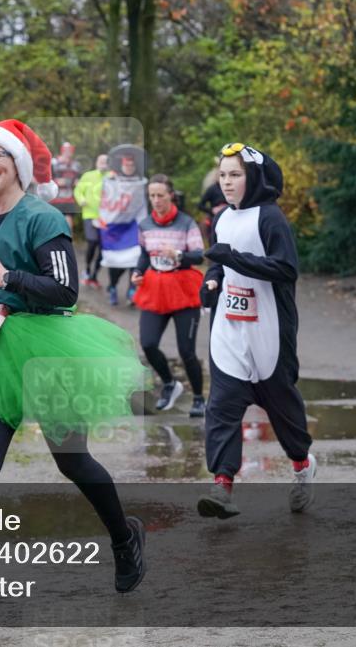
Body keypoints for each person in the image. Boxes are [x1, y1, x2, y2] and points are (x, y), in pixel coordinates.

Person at [0, 119, 149, 609]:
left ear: (17, 165)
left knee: (71, 461)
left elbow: (65, 291)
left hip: (48, 346)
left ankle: (123, 537)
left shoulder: (43, 217)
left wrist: (9, 275)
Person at [196, 143, 316, 520]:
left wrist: (232, 259)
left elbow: (286, 269)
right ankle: (222, 485)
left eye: (235, 175)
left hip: (269, 330)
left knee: (282, 408)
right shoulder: (222, 219)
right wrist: (212, 280)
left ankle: (301, 464)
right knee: (222, 406)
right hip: (229, 329)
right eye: (223, 175)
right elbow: (219, 262)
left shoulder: (270, 218)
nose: (227, 182)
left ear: (253, 178)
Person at [130, 174, 206, 417]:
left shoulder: (186, 223)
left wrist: (177, 254)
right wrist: (137, 272)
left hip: (183, 289)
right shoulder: (145, 225)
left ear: (170, 195)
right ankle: (170, 384)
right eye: (152, 196)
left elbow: (199, 255)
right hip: (155, 289)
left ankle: (198, 398)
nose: (156, 200)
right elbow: (144, 254)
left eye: (160, 195)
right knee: (149, 344)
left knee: (187, 351)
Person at [100, 145, 149, 307]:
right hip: (113, 226)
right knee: (115, 262)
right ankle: (113, 286)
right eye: (126, 164)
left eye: (131, 165)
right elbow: (103, 200)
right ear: (121, 165)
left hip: (132, 225)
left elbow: (141, 205)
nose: (129, 167)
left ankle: (131, 290)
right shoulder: (110, 181)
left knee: (135, 257)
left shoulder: (140, 183)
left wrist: (144, 225)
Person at [75, 154, 109, 288]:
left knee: (103, 248)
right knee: (92, 241)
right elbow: (78, 191)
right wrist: (81, 199)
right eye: (101, 161)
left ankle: (94, 275)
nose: (103, 164)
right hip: (89, 215)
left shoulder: (112, 177)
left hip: (106, 218)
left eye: (106, 162)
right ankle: (87, 271)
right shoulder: (88, 176)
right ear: (96, 162)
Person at [50, 141, 82, 234]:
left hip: (68, 198)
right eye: (66, 150)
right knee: (54, 221)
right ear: (62, 150)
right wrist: (56, 182)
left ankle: (68, 242)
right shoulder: (54, 162)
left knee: (68, 220)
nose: (68, 152)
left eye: (70, 149)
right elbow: (45, 178)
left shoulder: (75, 165)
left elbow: (78, 180)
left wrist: (69, 182)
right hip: (55, 198)